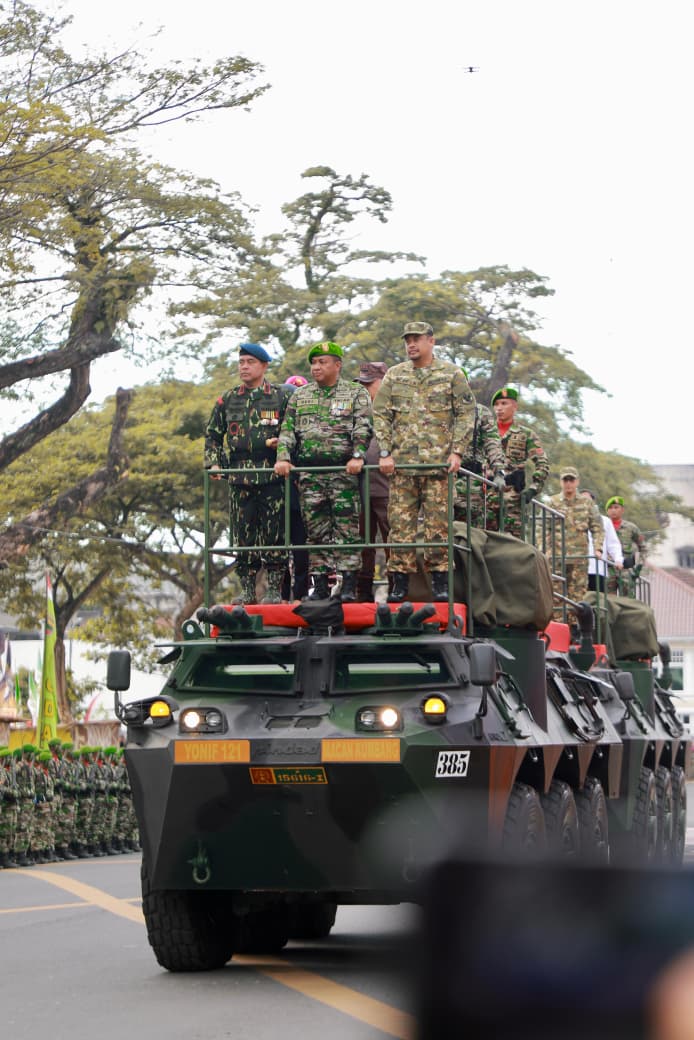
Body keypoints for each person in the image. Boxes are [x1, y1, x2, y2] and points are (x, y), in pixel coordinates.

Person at [372, 321, 476, 603]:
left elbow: (466, 413)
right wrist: (385, 451)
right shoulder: (395, 375)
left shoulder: (451, 374)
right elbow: (380, 414)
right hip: (402, 468)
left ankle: (440, 583)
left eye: (416, 339)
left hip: (438, 468)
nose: (411, 344)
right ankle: (399, 584)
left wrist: (457, 451)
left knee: (438, 527)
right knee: (400, 527)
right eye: (408, 340)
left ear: (431, 341)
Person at [274, 341, 373, 602]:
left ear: (337, 365)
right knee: (315, 531)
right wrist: (283, 457)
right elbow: (287, 431)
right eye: (314, 363)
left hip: (343, 472)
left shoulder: (355, 393)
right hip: (311, 474)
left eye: (322, 362)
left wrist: (358, 455)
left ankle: (349, 585)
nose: (316, 367)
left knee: (346, 529)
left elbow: (363, 426)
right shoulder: (300, 395)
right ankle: (319, 586)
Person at [204, 343, 293, 604]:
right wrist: (214, 464)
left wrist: (282, 450)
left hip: (271, 475)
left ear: (264, 366)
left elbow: (292, 431)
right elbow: (212, 436)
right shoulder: (228, 399)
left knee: (275, 533)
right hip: (240, 476)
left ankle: (275, 588)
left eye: (250, 362)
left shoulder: (280, 397)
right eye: (241, 362)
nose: (244, 367)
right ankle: (247, 590)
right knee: (243, 536)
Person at [486, 386, 549, 539]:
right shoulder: (486, 432)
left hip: (512, 500)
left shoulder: (526, 434)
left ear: (515, 407)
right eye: (497, 404)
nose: (499, 408)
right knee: (483, 541)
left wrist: (533, 489)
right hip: (485, 496)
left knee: (513, 544)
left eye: (504, 403)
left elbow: (542, 463)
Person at [353, 361, 391, 601]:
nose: (364, 389)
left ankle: (398, 587)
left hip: (388, 486)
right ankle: (362, 591)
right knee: (361, 541)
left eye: (368, 384)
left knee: (392, 539)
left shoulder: (394, 410)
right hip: (361, 486)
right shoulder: (357, 411)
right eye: (361, 384)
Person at [549, 466, 604, 618]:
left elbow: (597, 527)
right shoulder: (552, 502)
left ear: (577, 482)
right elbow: (543, 527)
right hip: (557, 557)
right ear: (561, 482)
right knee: (557, 593)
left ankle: (575, 626)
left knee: (578, 595)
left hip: (580, 558)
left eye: (571, 480)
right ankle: (559, 625)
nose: (568, 483)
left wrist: (598, 548)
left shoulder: (587, 503)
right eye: (565, 480)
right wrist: (544, 550)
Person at [279, 375, 310, 602]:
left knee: (302, 546)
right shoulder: (276, 423)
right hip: (280, 494)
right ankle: (280, 593)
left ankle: (301, 593)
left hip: (304, 494)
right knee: (279, 546)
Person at [455, 393, 506, 528]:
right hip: (441, 476)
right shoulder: (438, 410)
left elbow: (492, 443)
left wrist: (499, 471)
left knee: (471, 524)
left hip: (470, 479)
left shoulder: (480, 412)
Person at [581, 489, 623, 592]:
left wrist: (618, 559)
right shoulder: (571, 519)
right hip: (577, 568)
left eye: (587, 500)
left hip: (596, 569)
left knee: (596, 598)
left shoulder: (604, 521)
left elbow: (613, 544)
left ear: (593, 502)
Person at [606, 495, 648, 594]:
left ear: (622, 510)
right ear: (607, 511)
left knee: (627, 600)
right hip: (608, 569)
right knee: (607, 600)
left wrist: (638, 567)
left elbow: (643, 548)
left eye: (616, 507)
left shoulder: (630, 527)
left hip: (625, 570)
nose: (613, 510)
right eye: (610, 508)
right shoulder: (602, 526)